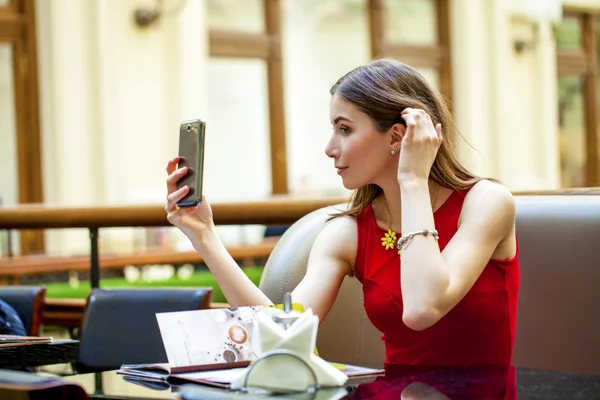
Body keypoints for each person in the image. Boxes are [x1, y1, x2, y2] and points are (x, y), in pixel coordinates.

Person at [165, 59, 519, 368]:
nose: (329, 148)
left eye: (344, 129)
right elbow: (282, 332)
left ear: (398, 136)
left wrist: (412, 180)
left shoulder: (486, 203)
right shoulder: (348, 231)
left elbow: (422, 308)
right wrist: (205, 237)